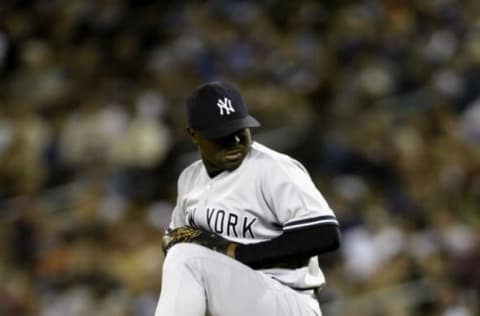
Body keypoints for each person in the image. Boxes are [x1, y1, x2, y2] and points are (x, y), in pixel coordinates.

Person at [154, 81, 341, 316]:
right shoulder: (189, 178)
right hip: (240, 300)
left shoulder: (272, 168)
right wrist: (198, 244)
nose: (234, 141)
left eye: (239, 130)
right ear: (194, 135)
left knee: (185, 258)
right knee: (182, 259)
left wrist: (239, 253)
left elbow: (324, 233)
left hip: (287, 299)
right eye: (222, 135)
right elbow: (173, 240)